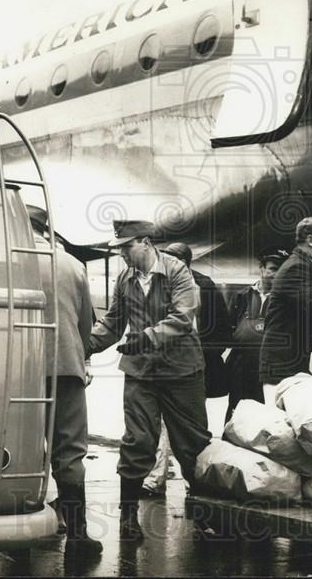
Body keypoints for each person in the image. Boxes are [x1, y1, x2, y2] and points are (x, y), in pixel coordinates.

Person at [86, 220, 211, 541]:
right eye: (119, 249)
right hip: (141, 373)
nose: (122, 254)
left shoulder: (177, 271)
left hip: (182, 372)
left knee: (191, 444)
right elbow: (113, 323)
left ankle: (207, 510)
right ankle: (128, 515)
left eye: (126, 247)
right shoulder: (125, 279)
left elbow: (183, 317)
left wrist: (144, 338)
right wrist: (82, 344)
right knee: (137, 441)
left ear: (144, 242)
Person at [26, 206, 103, 560]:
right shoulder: (73, 264)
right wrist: (80, 356)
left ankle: (20, 528)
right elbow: (86, 322)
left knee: (20, 449)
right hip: (67, 368)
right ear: (48, 231)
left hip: (17, 372)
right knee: (70, 452)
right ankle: (78, 536)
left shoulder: (7, 258)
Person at [142, 242, 231, 497]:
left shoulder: (204, 286)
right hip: (162, 368)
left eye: (172, 260)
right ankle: (156, 478)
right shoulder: (157, 285)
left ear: (185, 263)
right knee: (160, 426)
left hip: (192, 370)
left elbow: (221, 329)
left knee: (190, 429)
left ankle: (194, 480)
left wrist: (201, 356)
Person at [259, 217, 312, 403]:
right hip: (282, 371)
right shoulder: (295, 268)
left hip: (296, 369)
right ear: (311, 240)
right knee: (280, 429)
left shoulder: (311, 268)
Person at [225, 247, 289, 422]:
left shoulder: (285, 299)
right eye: (273, 269)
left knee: (264, 414)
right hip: (241, 364)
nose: (276, 275)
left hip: (268, 365)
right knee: (236, 410)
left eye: (281, 270)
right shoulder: (242, 295)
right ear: (261, 268)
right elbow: (229, 325)